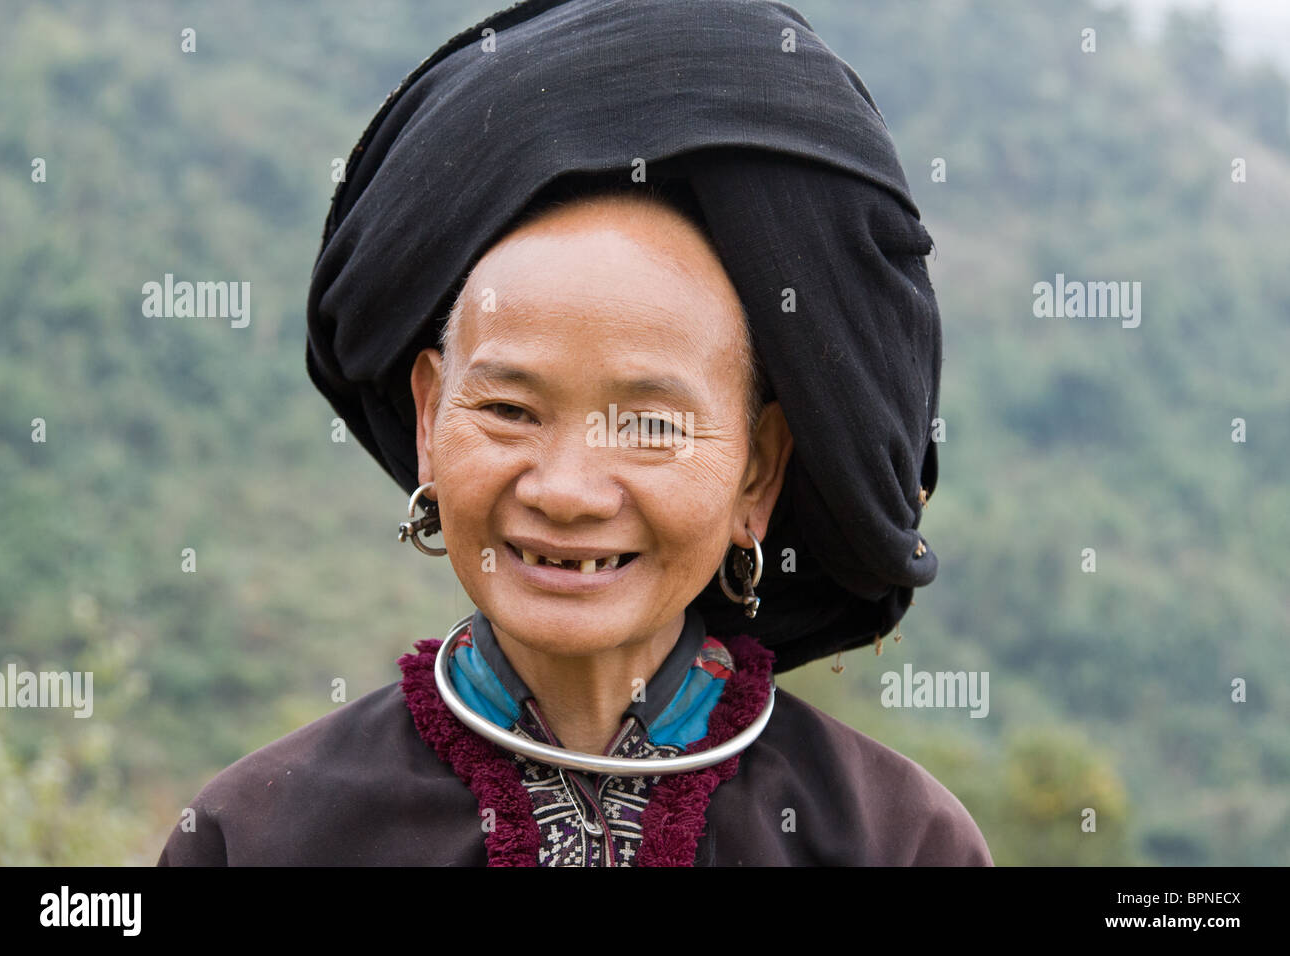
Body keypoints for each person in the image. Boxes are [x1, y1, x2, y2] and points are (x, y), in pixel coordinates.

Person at [158, 0, 992, 866]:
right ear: (429, 420)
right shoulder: (259, 835)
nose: (563, 490)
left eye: (647, 425)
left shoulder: (894, 841)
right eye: (510, 410)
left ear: (758, 472)